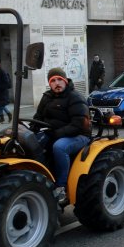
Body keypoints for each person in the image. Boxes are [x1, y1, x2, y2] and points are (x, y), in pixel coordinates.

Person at [33, 68, 91, 203]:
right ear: (50, 83)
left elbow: (79, 124)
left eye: (59, 79)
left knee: (60, 147)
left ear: (65, 81)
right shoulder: (46, 97)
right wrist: (33, 129)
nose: (57, 83)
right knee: (30, 143)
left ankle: (61, 187)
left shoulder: (75, 97)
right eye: (53, 81)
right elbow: (38, 117)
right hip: (53, 132)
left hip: (79, 134)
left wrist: (57, 134)